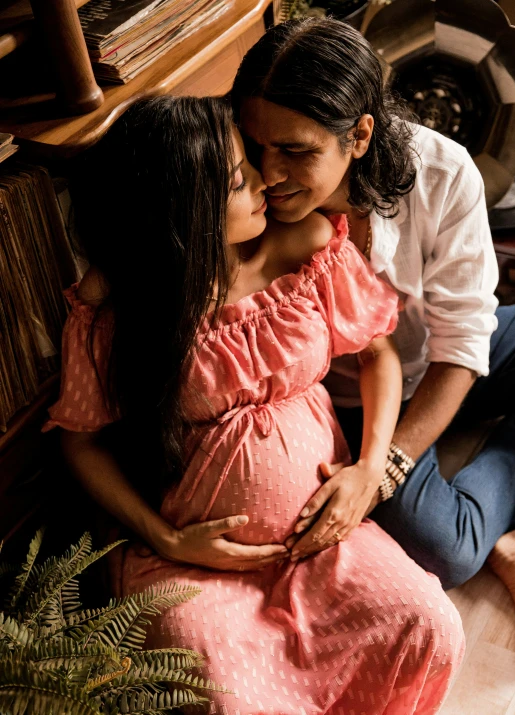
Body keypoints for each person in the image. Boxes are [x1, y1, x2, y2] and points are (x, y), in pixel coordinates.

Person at [44, 95, 464, 714]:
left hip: (321, 540)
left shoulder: (310, 248)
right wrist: (167, 539)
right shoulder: (118, 313)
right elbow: (79, 440)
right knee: (231, 701)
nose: (267, 181)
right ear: (185, 214)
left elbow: (379, 357)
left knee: (428, 622)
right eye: (241, 180)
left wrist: (372, 468)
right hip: (195, 563)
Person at [230, 16, 515, 653]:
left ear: (359, 135)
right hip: (353, 408)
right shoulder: (242, 207)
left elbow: (465, 337)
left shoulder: (442, 170)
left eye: (297, 151)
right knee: (448, 550)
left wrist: (383, 470)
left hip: (443, 367)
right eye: (255, 148)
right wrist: (366, 465)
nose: (269, 175)